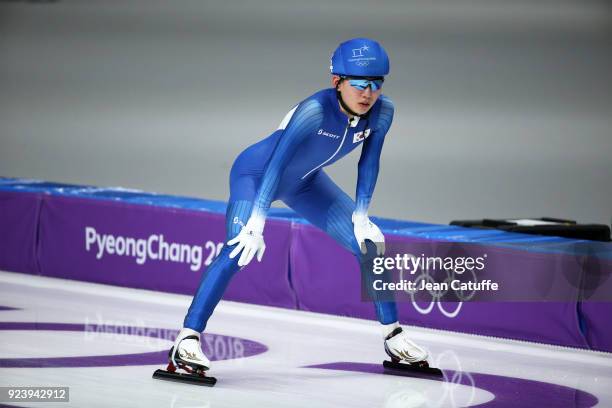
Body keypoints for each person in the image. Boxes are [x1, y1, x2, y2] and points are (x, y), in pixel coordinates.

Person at [168, 38, 430, 374]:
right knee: (237, 249)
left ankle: (394, 337)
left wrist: (362, 216)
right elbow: (276, 163)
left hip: (306, 183)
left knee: (370, 246)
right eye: (360, 84)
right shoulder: (315, 111)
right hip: (256, 174)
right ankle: (187, 339)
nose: (368, 94)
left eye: (376, 84)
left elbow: (369, 164)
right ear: (337, 81)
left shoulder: (384, 112)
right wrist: (256, 222)